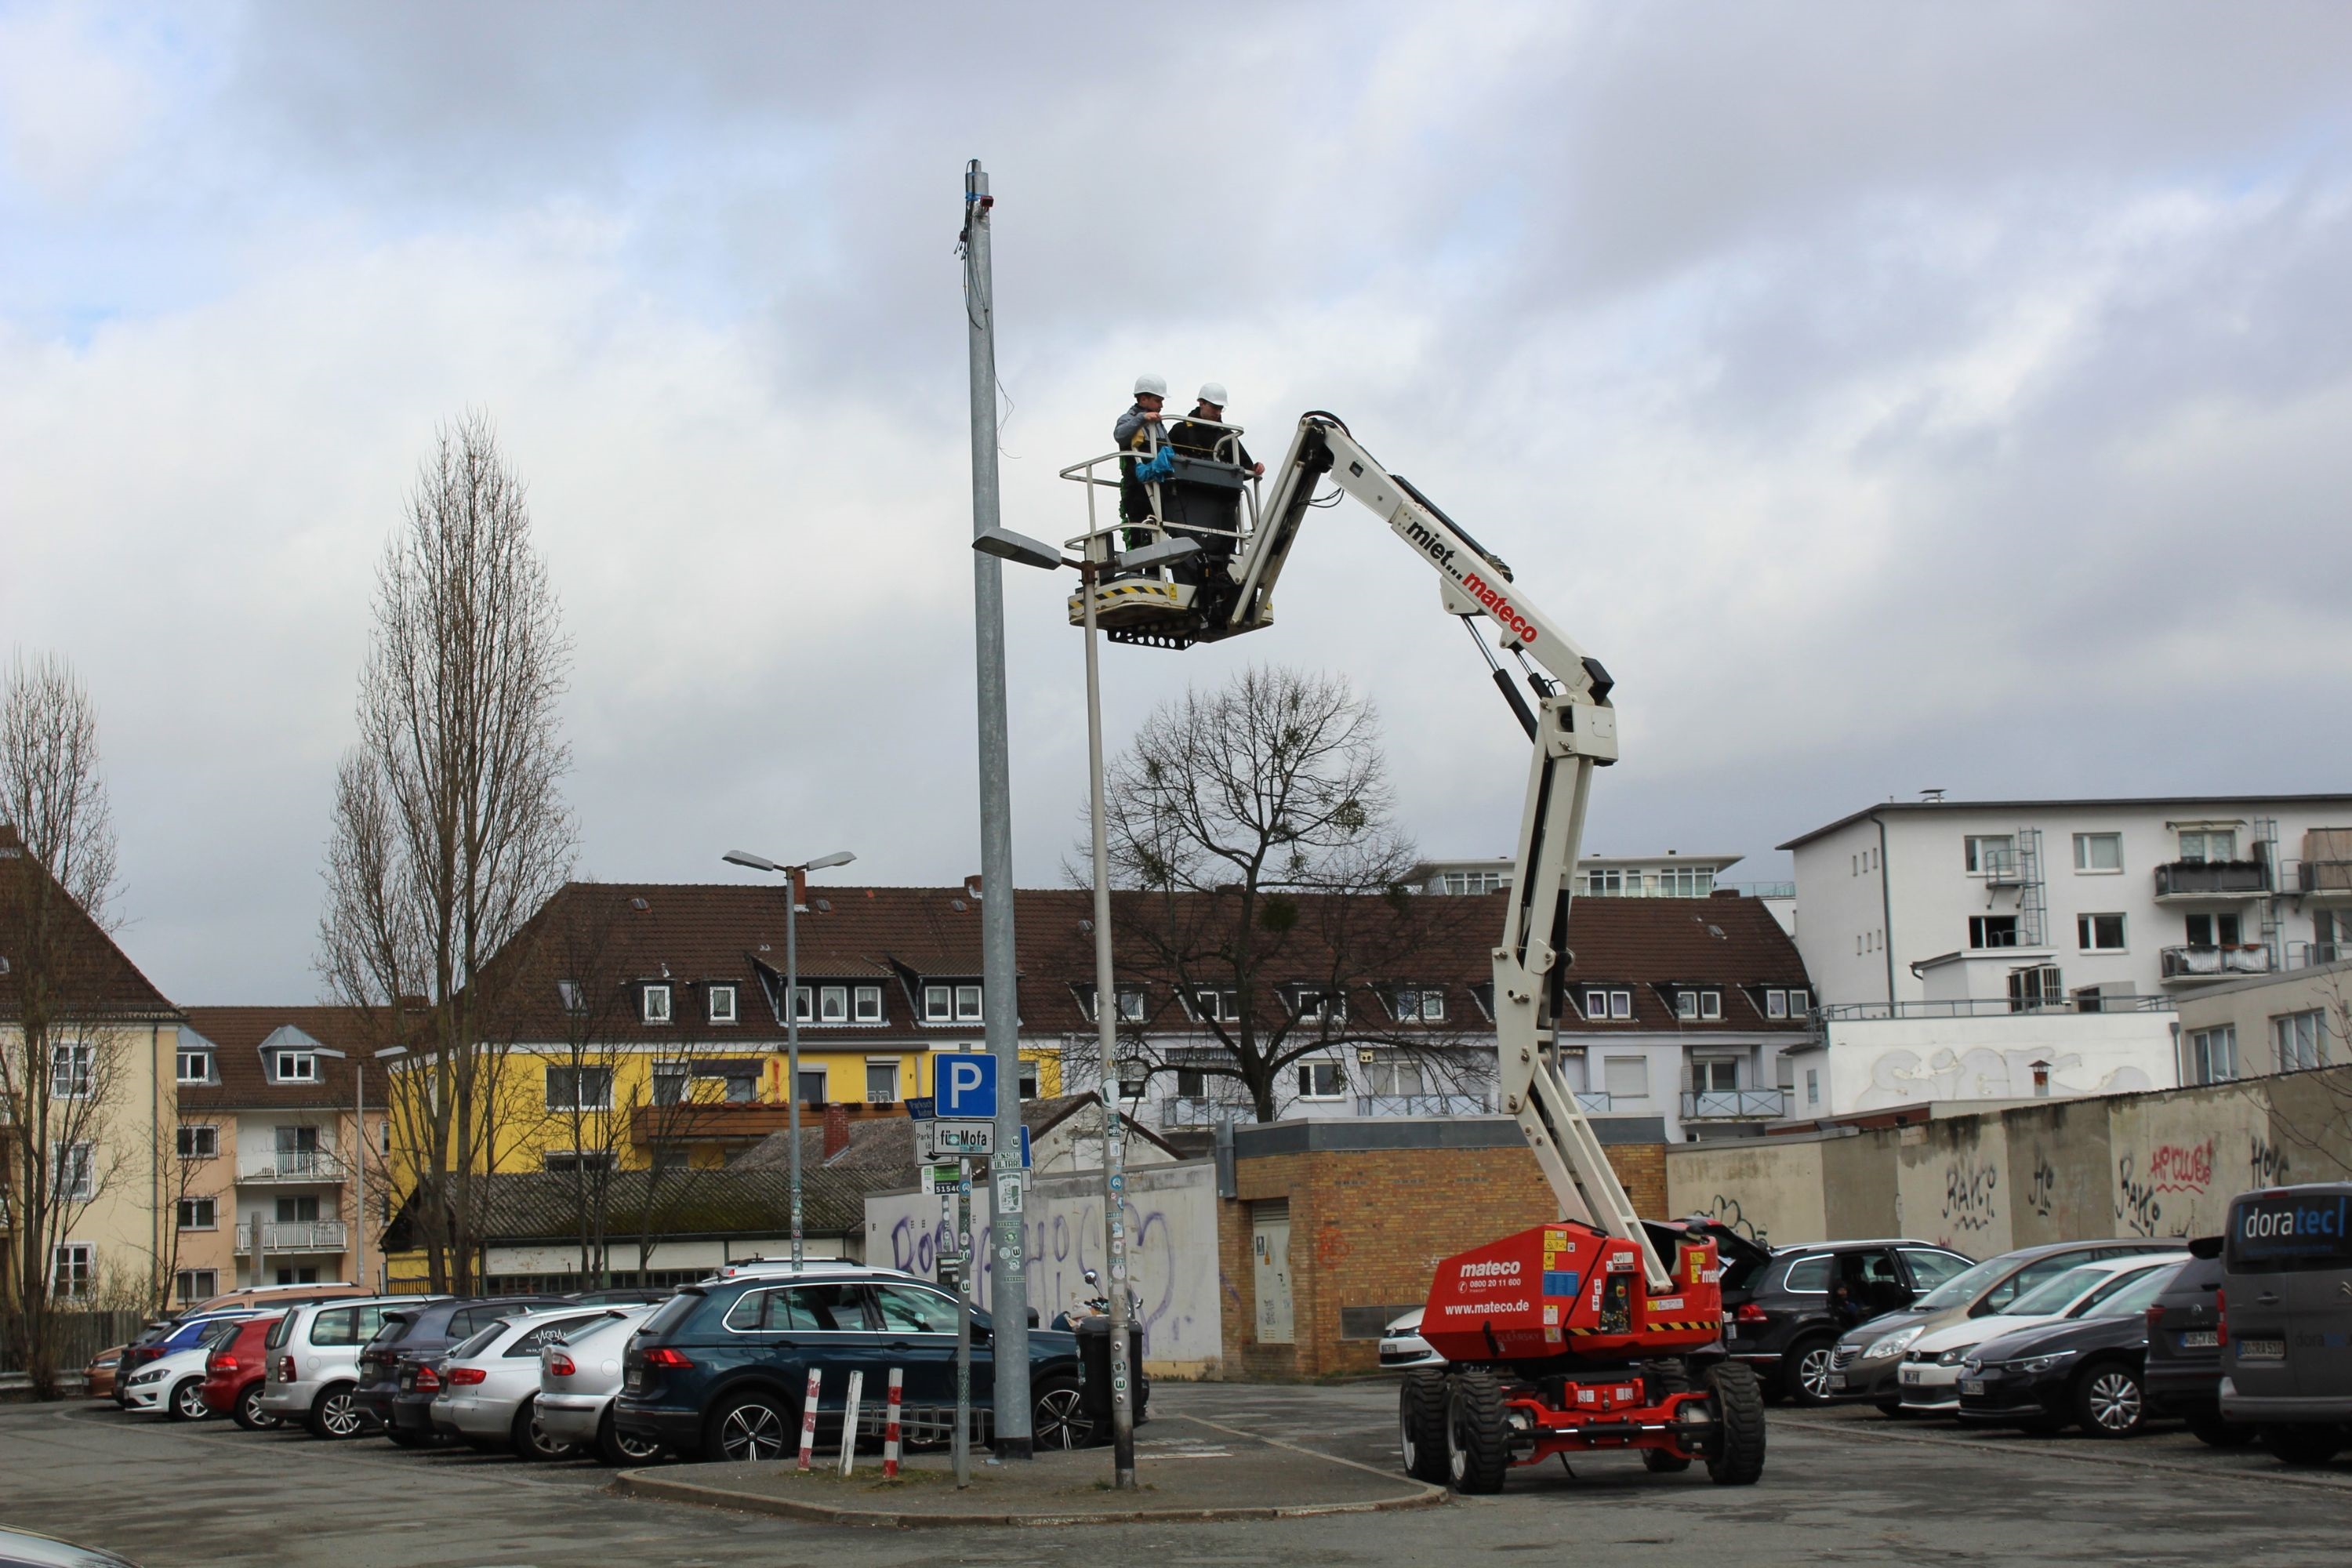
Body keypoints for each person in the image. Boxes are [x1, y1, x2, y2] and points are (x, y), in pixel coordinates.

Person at [1169, 382, 1261, 477]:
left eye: (1220, 408)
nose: (1218, 412)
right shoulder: (1180, 430)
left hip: (1218, 490)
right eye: (1214, 407)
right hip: (1185, 488)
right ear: (1201, 403)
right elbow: (1163, 458)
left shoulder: (1227, 435)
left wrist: (1255, 468)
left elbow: (1246, 466)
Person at [1114, 373, 1168, 535]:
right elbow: (1119, 435)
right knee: (1140, 528)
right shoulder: (1128, 419)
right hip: (1138, 485)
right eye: (1158, 401)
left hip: (1159, 482)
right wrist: (1142, 418)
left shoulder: (1158, 424)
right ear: (1143, 399)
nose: (1161, 406)